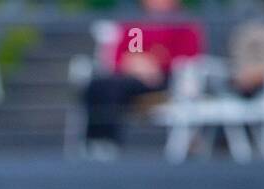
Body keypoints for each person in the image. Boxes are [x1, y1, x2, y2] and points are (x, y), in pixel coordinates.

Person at [83, 0, 204, 151]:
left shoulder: (184, 25)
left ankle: (106, 144)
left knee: (112, 87)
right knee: (99, 85)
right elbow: (125, 53)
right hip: (132, 78)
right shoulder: (138, 24)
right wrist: (133, 62)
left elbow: (189, 59)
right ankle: (97, 144)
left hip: (167, 80)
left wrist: (157, 65)